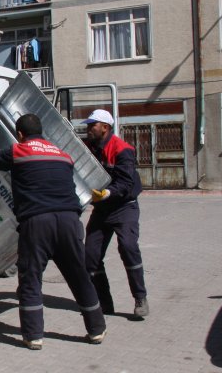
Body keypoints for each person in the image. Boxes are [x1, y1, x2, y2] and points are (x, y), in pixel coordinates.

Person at [0, 114, 106, 350]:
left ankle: (34, 335)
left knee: (31, 279)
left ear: (20, 134)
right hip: (69, 221)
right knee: (79, 276)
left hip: (38, 222)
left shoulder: (19, 150)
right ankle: (96, 329)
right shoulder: (62, 155)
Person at [81, 109, 149, 319]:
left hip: (123, 207)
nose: (88, 128)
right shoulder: (88, 146)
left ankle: (140, 298)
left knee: (128, 247)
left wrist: (108, 193)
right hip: (102, 209)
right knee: (90, 257)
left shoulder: (122, 149)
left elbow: (126, 182)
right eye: (88, 125)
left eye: (92, 125)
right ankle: (104, 302)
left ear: (105, 127)